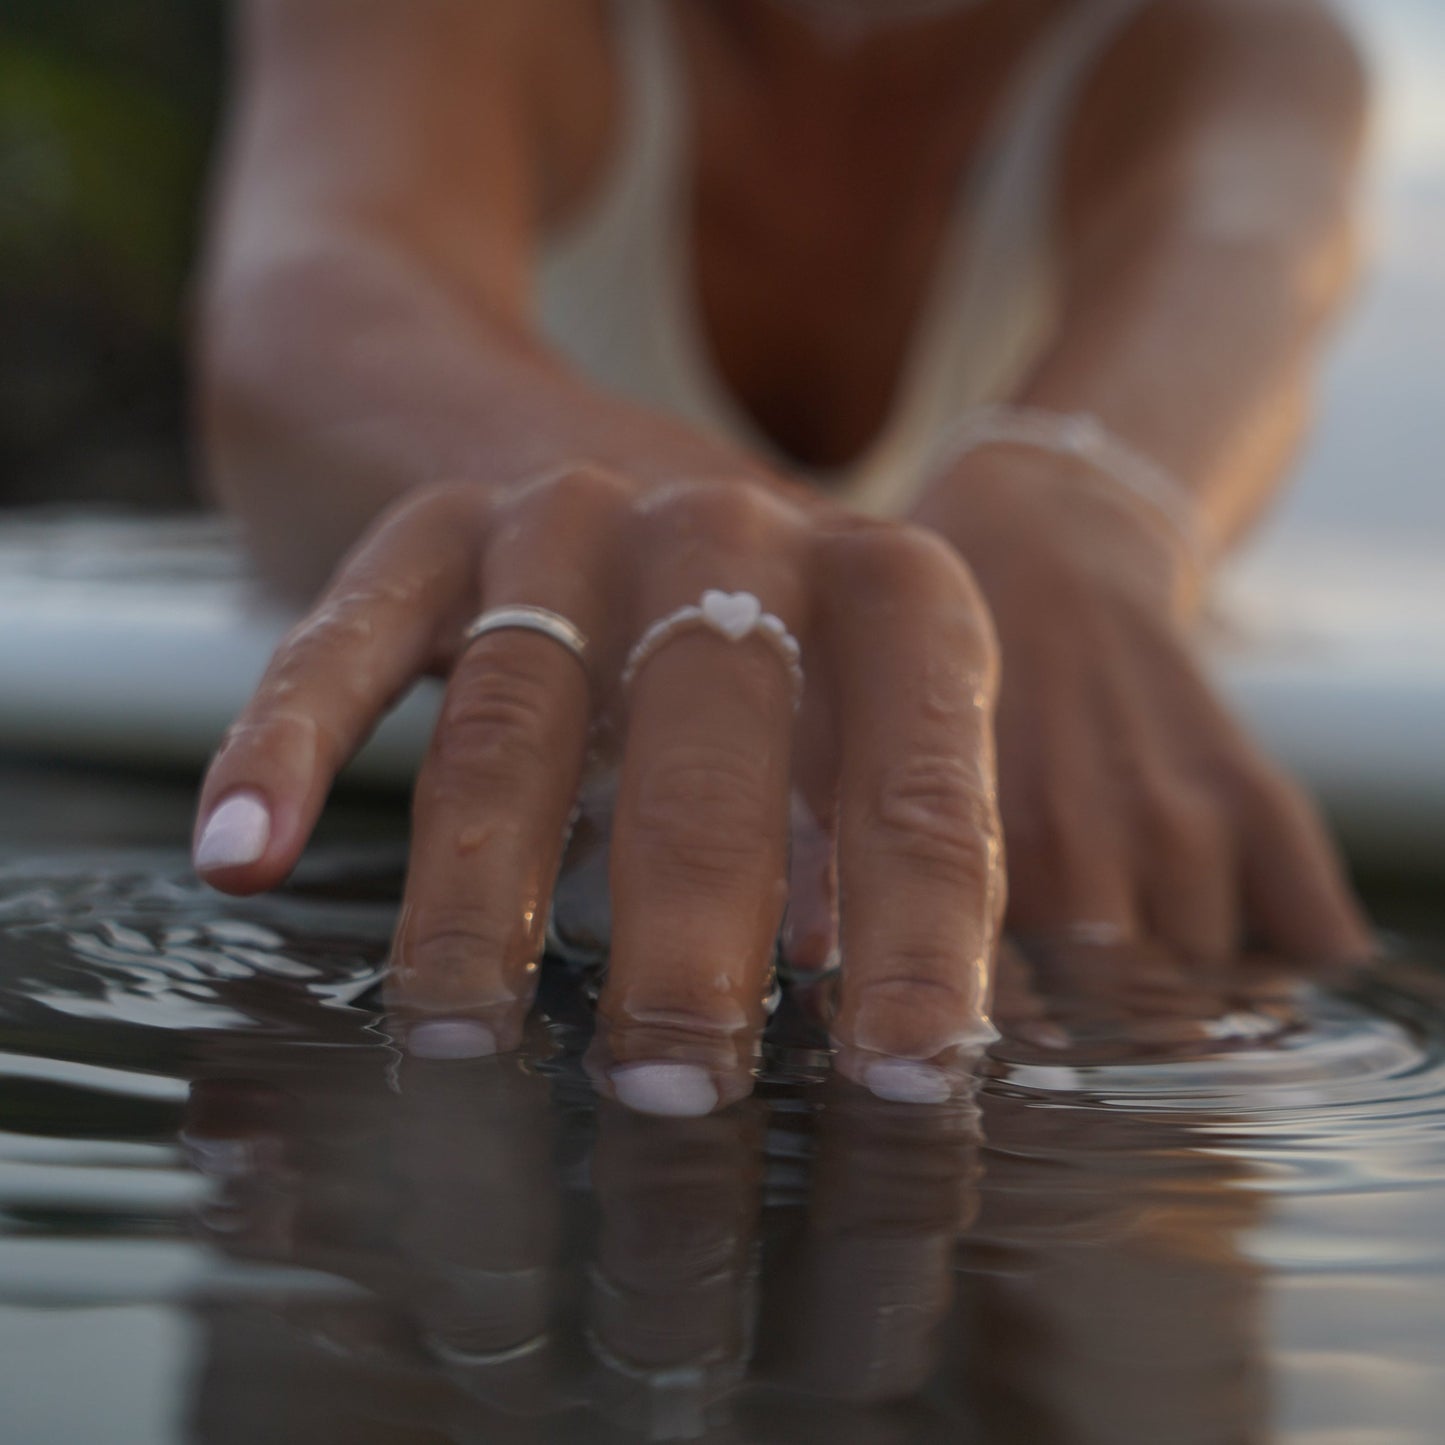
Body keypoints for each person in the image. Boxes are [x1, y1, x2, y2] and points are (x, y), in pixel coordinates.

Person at [190, 0, 1375, 1116]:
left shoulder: (1240, 47)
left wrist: (1070, 514)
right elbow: (315, 303)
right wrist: (716, 532)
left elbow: (1244, 256)